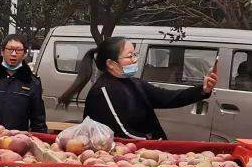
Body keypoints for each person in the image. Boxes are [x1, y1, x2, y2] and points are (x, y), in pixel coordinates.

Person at [82, 37, 217, 140]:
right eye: (130, 56)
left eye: (135, 55)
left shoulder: (134, 83)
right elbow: (122, 132)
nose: (135, 60)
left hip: (145, 152)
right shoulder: (103, 91)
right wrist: (154, 144)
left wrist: (203, 90)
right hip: (125, 161)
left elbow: (168, 98)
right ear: (111, 64)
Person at [0, 34, 47, 132]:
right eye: (10, 49)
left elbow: (38, 120)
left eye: (18, 50)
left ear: (25, 53)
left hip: (17, 141)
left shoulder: (33, 82)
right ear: (2, 52)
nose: (14, 54)